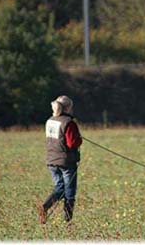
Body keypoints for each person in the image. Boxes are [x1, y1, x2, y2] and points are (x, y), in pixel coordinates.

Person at [38, 95, 82, 224]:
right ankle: (67, 221)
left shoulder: (50, 120)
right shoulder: (69, 123)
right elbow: (72, 143)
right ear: (68, 108)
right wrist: (79, 139)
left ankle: (45, 207)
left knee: (60, 188)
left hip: (52, 160)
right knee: (69, 192)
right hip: (66, 162)